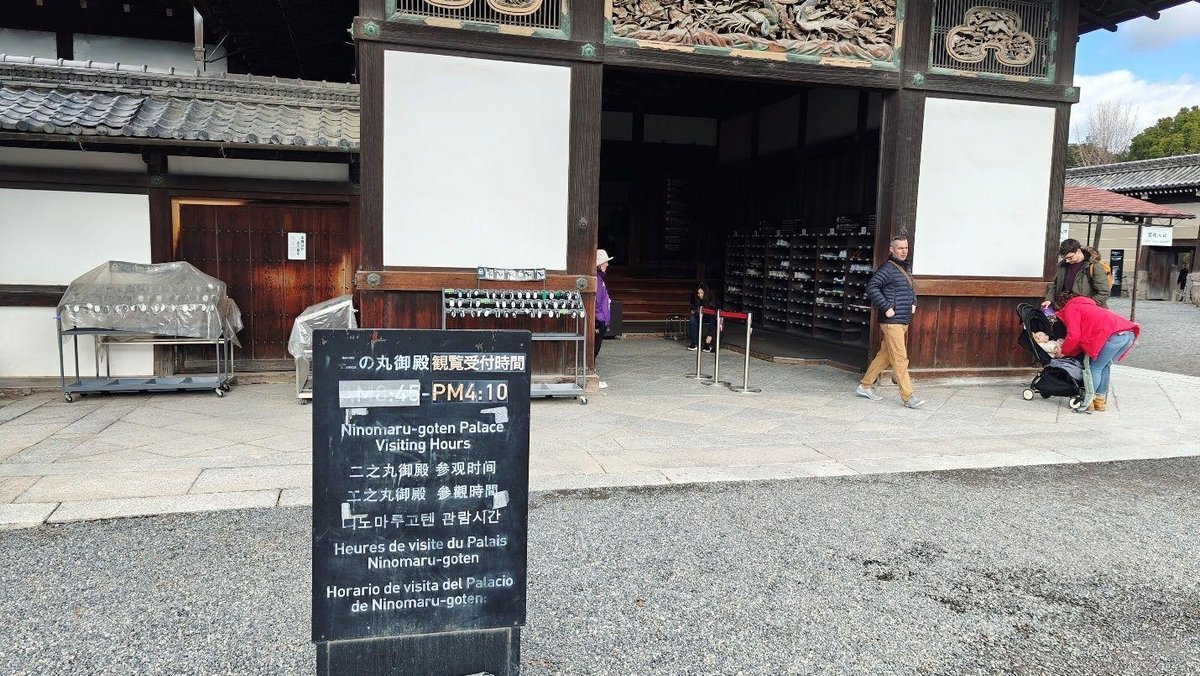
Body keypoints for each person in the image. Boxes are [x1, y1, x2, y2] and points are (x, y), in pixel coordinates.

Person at [856, 235, 923, 409]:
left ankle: (865, 386)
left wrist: (914, 302)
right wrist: (886, 307)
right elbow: (871, 287)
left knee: (885, 355)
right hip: (892, 321)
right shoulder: (887, 268)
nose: (904, 251)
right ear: (892, 250)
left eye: (906, 248)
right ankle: (908, 396)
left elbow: (910, 288)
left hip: (902, 319)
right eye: (900, 248)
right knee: (900, 358)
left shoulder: (905, 267)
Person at [1051, 291, 1139, 412]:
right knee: (1104, 366)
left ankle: (1088, 403)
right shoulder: (1090, 306)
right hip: (1128, 334)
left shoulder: (1071, 307)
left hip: (1112, 336)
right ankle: (1099, 402)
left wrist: (1064, 351)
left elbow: (1074, 335)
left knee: (1095, 368)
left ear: (1062, 303)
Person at [1042, 239, 1110, 310]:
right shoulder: (1063, 265)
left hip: (1087, 310)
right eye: (1065, 258)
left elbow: (1104, 292)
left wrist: (1088, 305)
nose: (1067, 260)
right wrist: (1049, 299)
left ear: (1078, 251)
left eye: (1070, 257)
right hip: (1065, 308)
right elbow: (1055, 285)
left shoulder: (1094, 266)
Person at [594, 249, 614, 390]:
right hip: (598, 320)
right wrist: (601, 320)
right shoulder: (597, 280)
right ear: (599, 264)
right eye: (605, 262)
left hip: (600, 319)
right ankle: (591, 376)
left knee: (595, 349)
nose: (607, 264)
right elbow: (596, 303)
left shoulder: (599, 279)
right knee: (594, 349)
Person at [687, 282, 718, 352]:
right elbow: (692, 307)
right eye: (698, 293)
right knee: (692, 319)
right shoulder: (695, 297)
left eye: (701, 293)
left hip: (710, 316)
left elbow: (714, 313)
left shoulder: (712, 298)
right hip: (699, 315)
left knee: (713, 319)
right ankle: (694, 343)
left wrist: (710, 334)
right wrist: (693, 310)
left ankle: (707, 343)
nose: (700, 295)